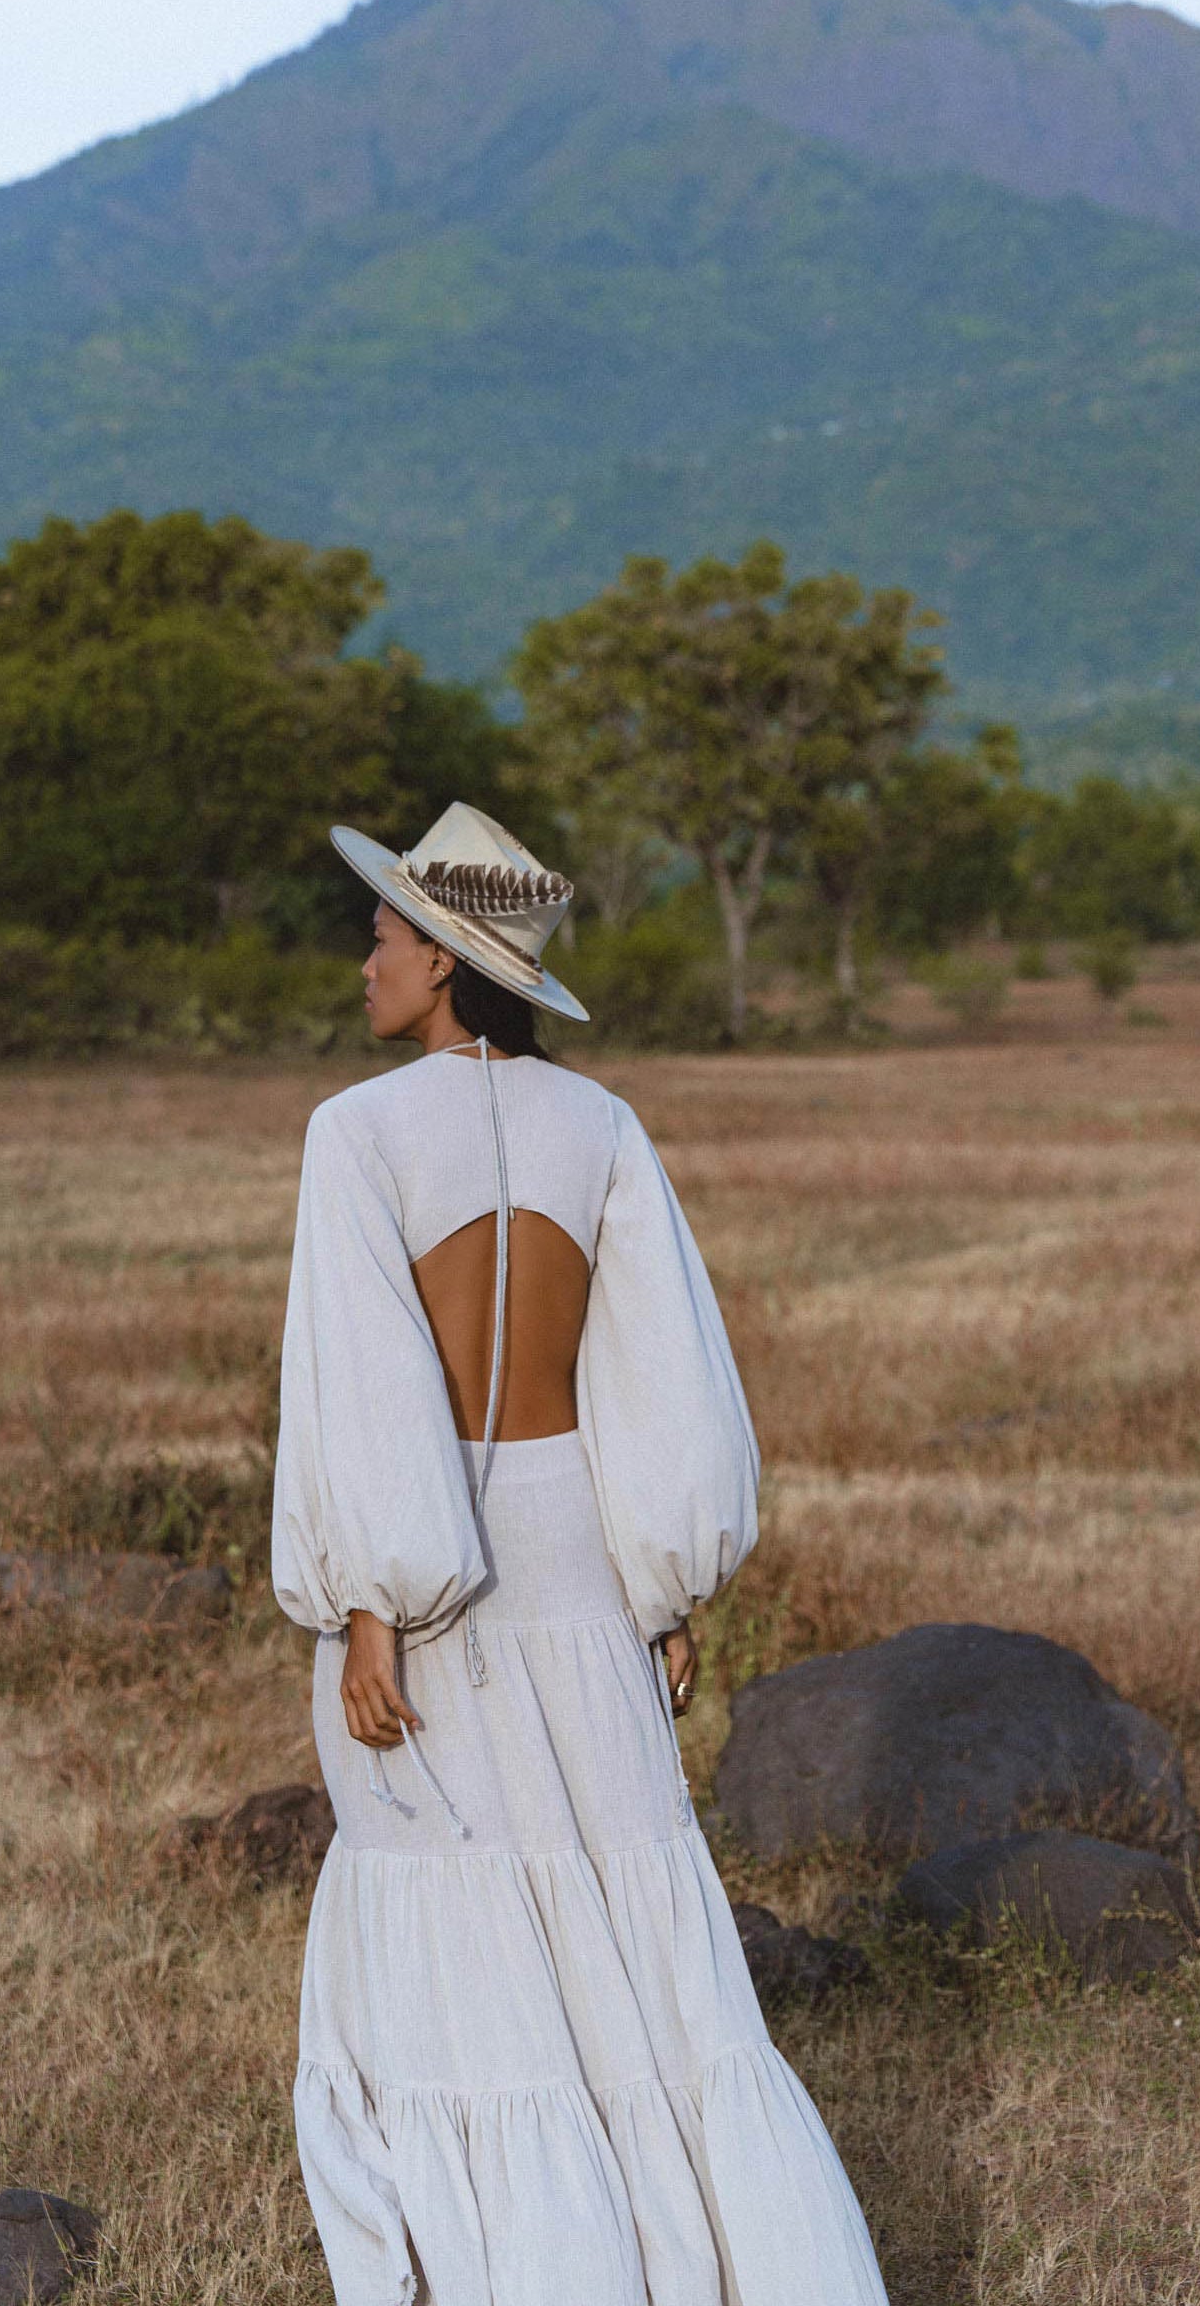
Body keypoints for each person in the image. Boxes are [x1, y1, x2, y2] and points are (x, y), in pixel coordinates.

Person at [272, 800, 888, 2304]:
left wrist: (371, 1602)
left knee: (454, 1948)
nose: (366, 957)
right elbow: (662, 1374)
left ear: (442, 962)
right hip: (577, 1571)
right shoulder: (601, 1125)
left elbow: (365, 1384)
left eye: (386, 931)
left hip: (437, 1597)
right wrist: (660, 1583)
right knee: (629, 1937)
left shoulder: (354, 1135)